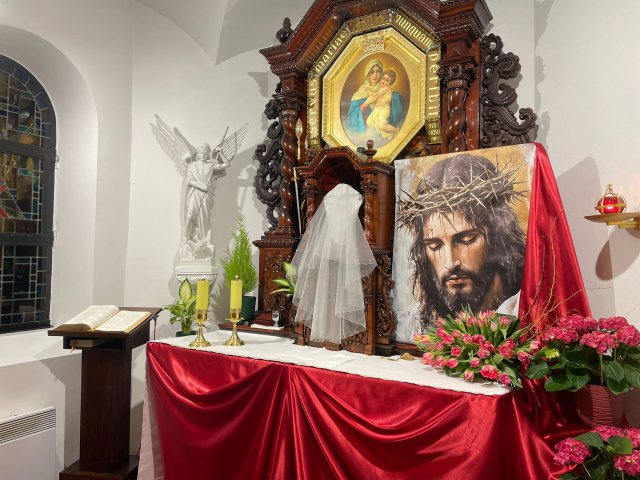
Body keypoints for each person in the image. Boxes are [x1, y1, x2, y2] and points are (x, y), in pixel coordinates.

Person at [398, 153, 526, 329]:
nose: (450, 263)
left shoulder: (527, 309)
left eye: (467, 240)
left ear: (498, 234)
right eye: (434, 246)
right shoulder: (414, 325)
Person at [178, 143, 229, 260]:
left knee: (204, 221)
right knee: (189, 216)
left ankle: (203, 241)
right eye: (201, 152)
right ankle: (185, 239)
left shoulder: (211, 165)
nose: (203, 154)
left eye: (205, 153)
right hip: (196, 193)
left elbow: (226, 164)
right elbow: (190, 180)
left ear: (208, 154)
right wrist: (201, 186)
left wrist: (221, 153)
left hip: (206, 196)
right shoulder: (192, 165)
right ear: (198, 154)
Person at [363, 69, 404, 140]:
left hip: (383, 109)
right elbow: (375, 96)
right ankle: (391, 133)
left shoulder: (386, 89)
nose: (383, 81)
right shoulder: (382, 88)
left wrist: (369, 91)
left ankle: (396, 130)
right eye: (383, 78)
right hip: (378, 109)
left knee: (382, 126)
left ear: (390, 83)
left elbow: (375, 96)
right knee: (369, 122)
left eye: (387, 80)